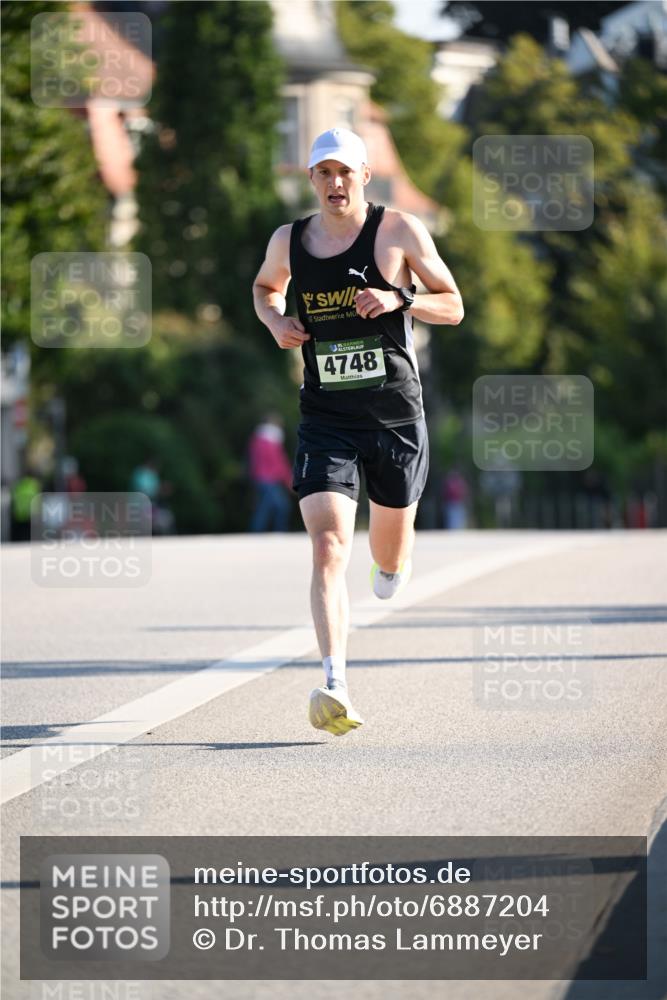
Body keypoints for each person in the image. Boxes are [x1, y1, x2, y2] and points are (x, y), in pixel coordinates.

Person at [252, 127, 464, 736]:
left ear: (365, 176)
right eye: (324, 173)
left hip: (395, 415)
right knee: (327, 545)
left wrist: (400, 299)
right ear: (312, 179)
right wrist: (274, 321)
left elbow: (452, 304)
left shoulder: (398, 231)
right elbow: (265, 288)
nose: (335, 183)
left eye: (346, 172)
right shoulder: (289, 240)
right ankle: (335, 681)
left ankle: (395, 563)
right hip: (326, 418)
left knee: (387, 559)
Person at [248, 413, 293, 532]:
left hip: (260, 478)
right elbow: (279, 461)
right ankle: (279, 532)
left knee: (265, 507)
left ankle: (257, 533)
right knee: (281, 506)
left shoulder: (257, 439)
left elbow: (254, 461)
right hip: (270, 479)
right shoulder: (272, 440)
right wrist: (288, 479)